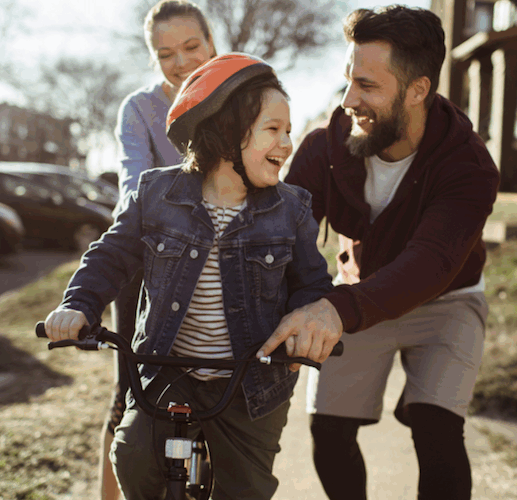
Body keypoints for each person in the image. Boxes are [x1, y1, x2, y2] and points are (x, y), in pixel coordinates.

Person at [43, 53, 333, 500]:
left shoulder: (290, 209)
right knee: (132, 457)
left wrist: (309, 323)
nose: (287, 143)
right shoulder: (156, 194)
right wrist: (78, 304)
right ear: (227, 132)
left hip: (250, 381)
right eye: (273, 129)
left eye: (288, 130)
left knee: (246, 490)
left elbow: (311, 285)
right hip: (166, 368)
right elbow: (111, 255)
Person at [257, 5, 500, 500]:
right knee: (328, 429)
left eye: (367, 85)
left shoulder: (469, 165)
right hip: (359, 293)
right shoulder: (325, 149)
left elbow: (429, 264)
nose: (349, 99)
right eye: (348, 80)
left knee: (437, 428)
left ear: (417, 90)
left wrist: (331, 310)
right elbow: (275, 235)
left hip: (446, 300)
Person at [102, 1, 217, 498]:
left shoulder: (246, 97)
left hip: (223, 262)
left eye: (191, 46)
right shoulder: (141, 109)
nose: (181, 61)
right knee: (129, 395)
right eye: (165, 52)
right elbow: (135, 184)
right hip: (148, 258)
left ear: (212, 43)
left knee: (219, 393)